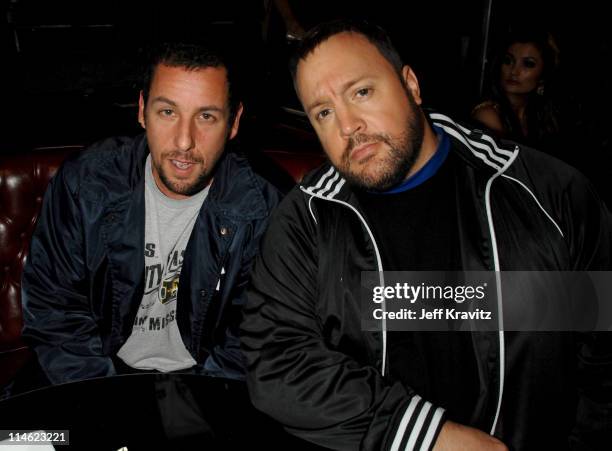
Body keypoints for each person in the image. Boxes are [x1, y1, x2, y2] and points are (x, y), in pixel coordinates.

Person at [240, 20, 612, 450]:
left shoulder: (543, 193)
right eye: (323, 112)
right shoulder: (310, 219)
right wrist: (426, 435)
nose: (348, 125)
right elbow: (277, 361)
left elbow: (601, 358)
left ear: (411, 85)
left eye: (362, 92)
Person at [20, 40, 282, 386]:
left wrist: (194, 412)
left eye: (206, 116)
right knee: (16, 440)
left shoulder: (262, 209)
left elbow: (254, 339)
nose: (184, 141)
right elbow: (53, 311)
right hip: (92, 377)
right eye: (167, 112)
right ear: (142, 111)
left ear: (233, 123)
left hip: (204, 384)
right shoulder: (85, 184)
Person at [471, 29, 561, 151]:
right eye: (508, 61)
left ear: (543, 76)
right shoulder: (488, 114)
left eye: (528, 64)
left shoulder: (543, 117)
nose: (514, 71)